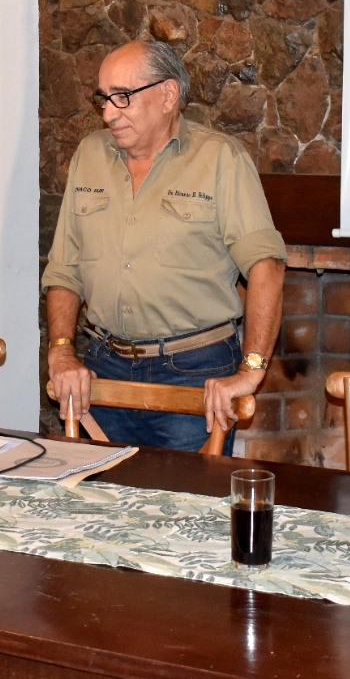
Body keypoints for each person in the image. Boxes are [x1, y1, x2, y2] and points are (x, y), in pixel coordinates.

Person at [43, 40, 287, 452]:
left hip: (194, 371)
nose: (107, 113)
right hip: (105, 368)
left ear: (168, 95)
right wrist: (63, 351)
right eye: (103, 98)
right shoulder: (89, 156)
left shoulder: (220, 159)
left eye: (122, 97)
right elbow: (65, 268)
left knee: (188, 510)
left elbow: (267, 267)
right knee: (104, 507)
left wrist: (251, 370)